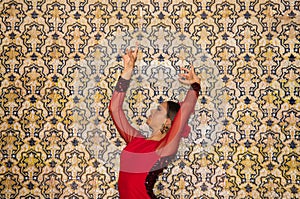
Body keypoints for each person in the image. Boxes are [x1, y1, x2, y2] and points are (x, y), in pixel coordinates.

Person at [109, 44, 200, 199]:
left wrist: (195, 86)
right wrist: (127, 71)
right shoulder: (135, 140)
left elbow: (183, 113)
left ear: (167, 123)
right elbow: (114, 109)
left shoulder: (165, 148)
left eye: (158, 110)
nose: (151, 111)